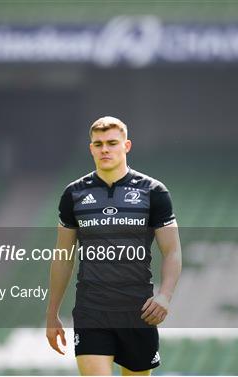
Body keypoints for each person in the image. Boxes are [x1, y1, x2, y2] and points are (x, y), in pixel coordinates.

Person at [46, 116, 182, 376]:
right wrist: (52, 313)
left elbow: (172, 251)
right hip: (91, 310)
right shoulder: (73, 194)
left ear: (126, 146)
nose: (105, 149)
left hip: (139, 311)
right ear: (91, 148)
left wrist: (164, 295)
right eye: (98, 144)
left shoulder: (154, 191)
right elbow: (63, 256)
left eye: (112, 143)